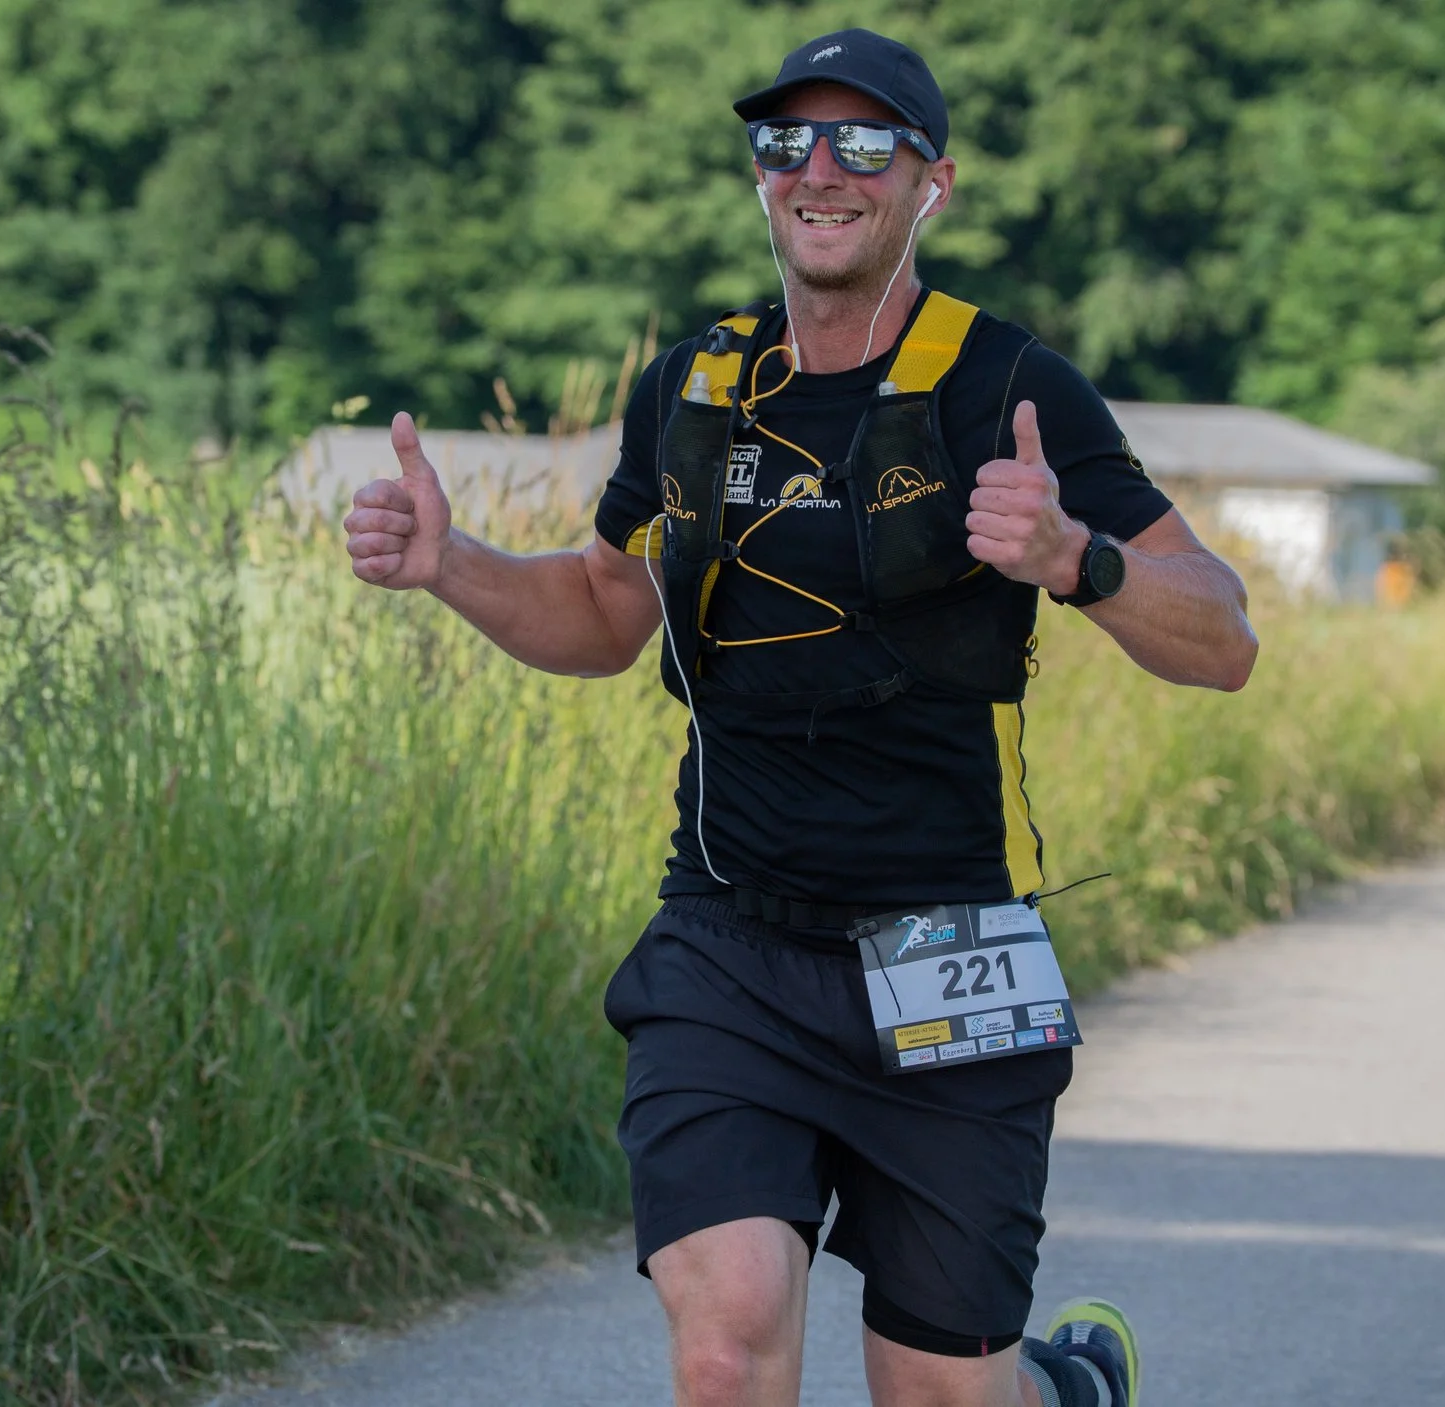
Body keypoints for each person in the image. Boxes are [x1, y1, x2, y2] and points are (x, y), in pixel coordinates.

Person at [344, 28, 1257, 1407]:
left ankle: (1061, 1390)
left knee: (947, 1391)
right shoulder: (695, 391)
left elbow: (1226, 635)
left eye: (863, 142)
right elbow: (602, 614)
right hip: (730, 944)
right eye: (787, 142)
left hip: (944, 946)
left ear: (928, 183)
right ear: (762, 178)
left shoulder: (1005, 387)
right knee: (726, 1342)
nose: (819, 169)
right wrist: (449, 565)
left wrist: (1081, 558)